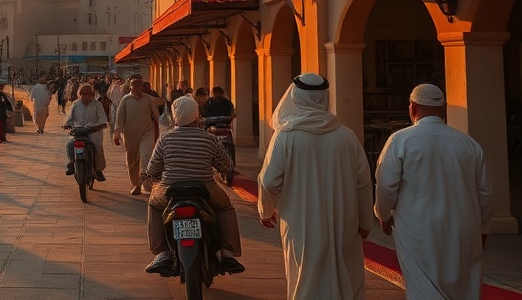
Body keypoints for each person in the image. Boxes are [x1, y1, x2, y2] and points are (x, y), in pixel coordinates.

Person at [257, 73, 373, 300]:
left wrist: (266, 210)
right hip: (343, 224)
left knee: (304, 280)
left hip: (301, 227)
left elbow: (268, 181)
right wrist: (365, 221)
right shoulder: (347, 136)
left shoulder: (285, 136)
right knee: (345, 278)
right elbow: (364, 181)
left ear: (296, 97)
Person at [374, 83, 493, 300]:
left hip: (417, 229)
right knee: (461, 286)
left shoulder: (401, 140)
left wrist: (383, 215)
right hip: (462, 228)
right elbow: (485, 192)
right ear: (443, 108)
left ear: (413, 107)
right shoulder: (469, 144)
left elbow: (385, 184)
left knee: (422, 286)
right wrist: (482, 229)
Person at [142, 96, 245, 275]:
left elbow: (153, 168)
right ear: (196, 116)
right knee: (225, 208)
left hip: (169, 189)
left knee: (154, 205)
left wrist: (155, 176)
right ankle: (227, 252)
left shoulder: (166, 139)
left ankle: (162, 252)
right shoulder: (209, 139)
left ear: (175, 116)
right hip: (205, 188)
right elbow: (225, 165)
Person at [112, 75, 162, 195]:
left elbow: (157, 110)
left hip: (147, 132)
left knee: (146, 155)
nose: (138, 88)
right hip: (130, 134)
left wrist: (157, 128)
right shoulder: (126, 100)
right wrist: (117, 134)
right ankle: (135, 185)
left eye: (140, 86)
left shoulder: (148, 99)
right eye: (135, 86)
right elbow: (119, 118)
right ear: (131, 87)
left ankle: (145, 181)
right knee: (132, 160)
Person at [62, 83, 108, 181]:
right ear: (80, 94)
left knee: (98, 148)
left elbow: (103, 119)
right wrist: (67, 125)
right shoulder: (75, 104)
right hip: (78, 131)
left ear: (92, 94)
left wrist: (97, 126)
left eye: (88, 93)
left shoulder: (97, 105)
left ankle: (98, 170)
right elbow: (69, 118)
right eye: (83, 93)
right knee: (70, 144)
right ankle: (72, 163)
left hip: (93, 131)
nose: (85, 95)